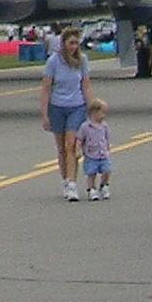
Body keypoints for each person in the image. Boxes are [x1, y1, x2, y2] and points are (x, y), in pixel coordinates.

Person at [40, 26, 96, 202]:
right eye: (70, 43)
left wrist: (92, 109)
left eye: (76, 43)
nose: (73, 47)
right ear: (63, 43)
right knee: (62, 149)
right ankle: (65, 180)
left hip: (76, 107)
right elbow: (46, 88)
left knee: (71, 145)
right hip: (57, 107)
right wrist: (44, 114)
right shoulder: (54, 62)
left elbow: (86, 86)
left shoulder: (83, 60)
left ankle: (72, 183)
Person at [79, 98, 113, 200]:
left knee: (107, 170)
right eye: (103, 113)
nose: (104, 116)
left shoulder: (104, 126)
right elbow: (80, 139)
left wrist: (107, 148)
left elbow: (106, 138)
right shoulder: (85, 127)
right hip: (91, 155)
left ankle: (104, 185)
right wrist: (78, 150)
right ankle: (91, 189)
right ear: (94, 112)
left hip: (103, 154)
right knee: (91, 173)